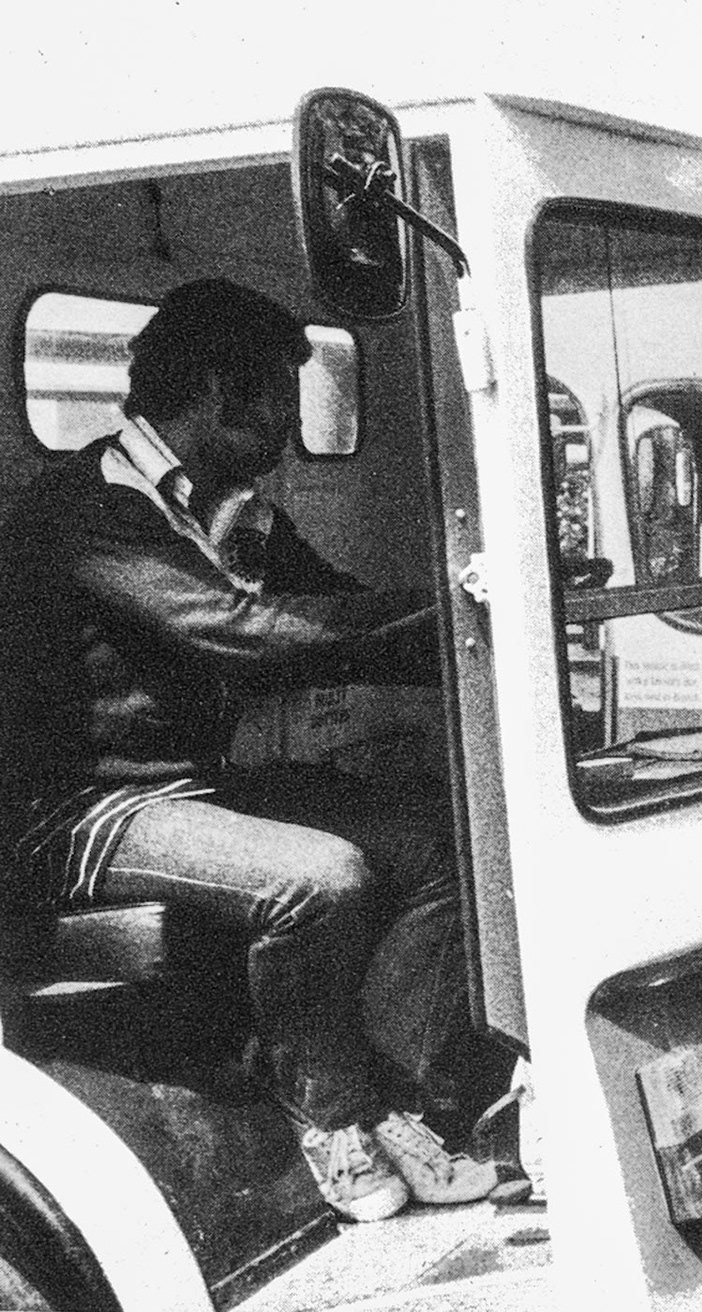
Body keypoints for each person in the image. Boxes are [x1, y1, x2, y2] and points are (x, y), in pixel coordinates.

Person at [0, 278, 497, 1224]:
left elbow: (341, 605)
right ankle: (332, 1113)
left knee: (436, 841)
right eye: (277, 397)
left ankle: (398, 1100)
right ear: (220, 396)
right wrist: (438, 614)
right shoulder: (82, 510)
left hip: (191, 789)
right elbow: (240, 632)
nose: (284, 428)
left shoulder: (234, 506)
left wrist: (470, 618)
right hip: (75, 814)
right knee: (323, 877)